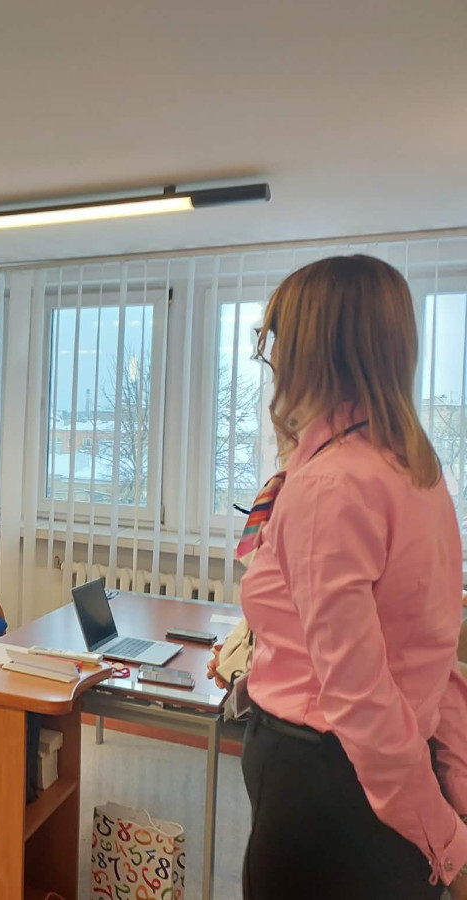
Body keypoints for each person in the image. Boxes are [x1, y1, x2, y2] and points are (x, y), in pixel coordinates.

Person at [237, 255, 467, 900]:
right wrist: (452, 795)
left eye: (275, 340)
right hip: (387, 775)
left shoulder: (332, 483)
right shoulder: (415, 470)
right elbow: (435, 654)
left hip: (332, 782)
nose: (271, 359)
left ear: (313, 351)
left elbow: (359, 696)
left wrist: (448, 842)